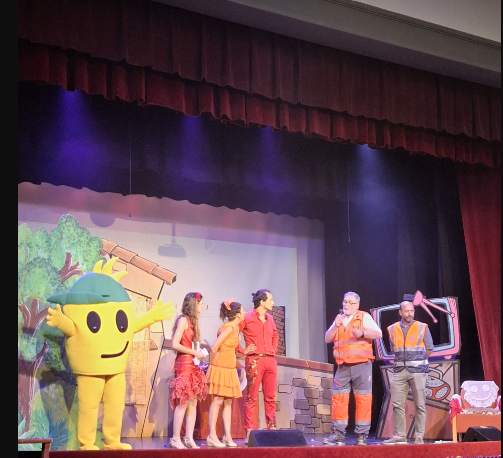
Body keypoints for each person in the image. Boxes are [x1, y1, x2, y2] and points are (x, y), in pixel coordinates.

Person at [323, 291, 382, 446]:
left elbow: (378, 333)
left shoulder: (363, 317)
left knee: (363, 400)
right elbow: (327, 338)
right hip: (343, 366)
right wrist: (335, 325)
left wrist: (362, 333)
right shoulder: (339, 319)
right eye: (345, 301)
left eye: (350, 302)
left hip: (361, 365)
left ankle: (362, 436)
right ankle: (338, 435)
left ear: (357, 305)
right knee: (339, 400)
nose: (346, 305)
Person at [383, 300, 434, 445]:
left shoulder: (422, 327)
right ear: (400, 312)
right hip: (399, 371)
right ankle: (400, 436)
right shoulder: (392, 329)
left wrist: (418, 361)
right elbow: (393, 349)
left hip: (418, 371)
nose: (410, 313)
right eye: (407, 311)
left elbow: (429, 348)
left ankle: (419, 436)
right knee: (397, 404)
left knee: (420, 404)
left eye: (412, 311)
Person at [205, 298, 253, 447]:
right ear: (238, 314)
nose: (244, 312)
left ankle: (227, 436)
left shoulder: (236, 328)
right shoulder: (229, 328)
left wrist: (244, 351)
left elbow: (232, 347)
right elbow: (214, 347)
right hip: (221, 368)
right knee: (218, 400)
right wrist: (212, 365)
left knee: (228, 401)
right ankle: (212, 436)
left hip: (230, 369)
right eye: (243, 310)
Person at [237, 289, 279, 445]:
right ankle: (249, 432)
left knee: (270, 397)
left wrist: (274, 349)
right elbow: (233, 333)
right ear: (262, 302)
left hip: (270, 361)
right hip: (255, 360)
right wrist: (243, 350)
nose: (273, 302)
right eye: (271, 300)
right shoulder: (247, 317)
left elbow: (275, 335)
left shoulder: (270, 318)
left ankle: (271, 429)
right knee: (251, 397)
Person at [168, 292, 209, 449]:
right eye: (200, 303)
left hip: (192, 364)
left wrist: (198, 356)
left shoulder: (193, 322)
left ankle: (188, 438)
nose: (202, 306)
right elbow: (175, 344)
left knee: (193, 401)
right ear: (194, 304)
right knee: (183, 401)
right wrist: (194, 353)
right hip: (184, 363)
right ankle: (175, 438)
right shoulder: (183, 320)